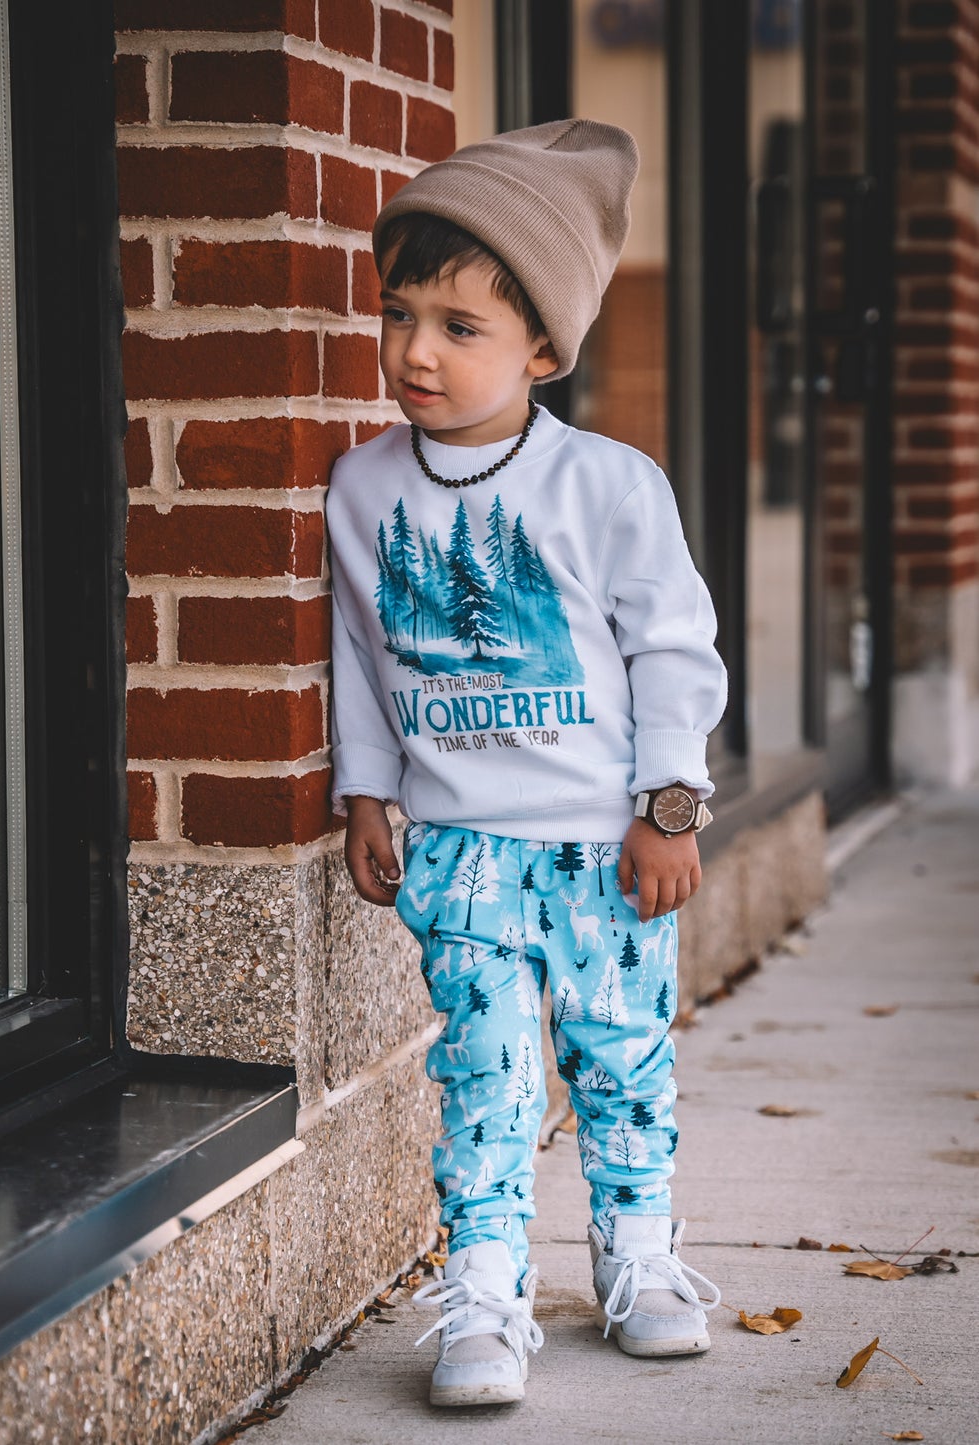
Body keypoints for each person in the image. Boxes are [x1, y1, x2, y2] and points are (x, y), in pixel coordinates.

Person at [328, 120, 726, 1406]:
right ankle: (485, 1290)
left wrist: (669, 806)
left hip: (604, 847)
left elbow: (671, 648)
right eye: (398, 314)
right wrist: (366, 786)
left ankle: (640, 1256)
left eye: (458, 325)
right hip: (460, 851)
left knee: (621, 1058)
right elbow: (358, 650)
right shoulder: (359, 488)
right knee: (483, 1073)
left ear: (544, 350)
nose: (415, 352)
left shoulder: (607, 485)